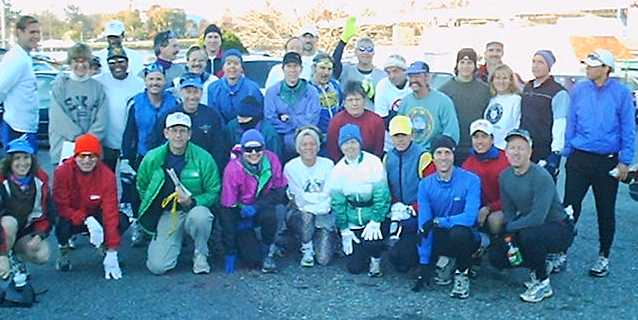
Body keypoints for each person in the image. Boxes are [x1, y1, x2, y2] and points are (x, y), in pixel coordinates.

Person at [563, 49, 635, 277]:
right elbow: (571, 121)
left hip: (607, 161)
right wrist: (568, 149)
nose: (588, 68)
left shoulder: (621, 93)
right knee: (569, 207)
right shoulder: (579, 90)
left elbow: (628, 128)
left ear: (606, 68)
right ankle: (560, 251)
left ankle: (604, 256)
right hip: (579, 157)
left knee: (606, 210)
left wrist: (625, 161)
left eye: (593, 64)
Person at [489, 129, 575, 303]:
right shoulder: (505, 177)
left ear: (530, 151)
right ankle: (541, 262)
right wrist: (507, 236)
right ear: (506, 152)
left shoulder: (542, 176)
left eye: (521, 148)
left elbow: (537, 218)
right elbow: (509, 212)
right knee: (497, 255)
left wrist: (509, 229)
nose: (516, 152)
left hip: (558, 227)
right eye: (512, 148)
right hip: (530, 226)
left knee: (529, 235)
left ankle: (542, 281)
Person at [136, 112, 220, 275]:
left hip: (194, 210)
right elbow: (142, 186)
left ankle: (200, 253)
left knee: (201, 217)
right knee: (158, 267)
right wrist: (154, 209)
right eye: (173, 131)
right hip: (169, 213)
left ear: (190, 134)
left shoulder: (204, 158)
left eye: (183, 131)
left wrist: (192, 202)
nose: (178, 135)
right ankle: (175, 244)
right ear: (166, 133)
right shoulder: (152, 158)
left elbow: (214, 191)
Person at [412, 135, 480, 299]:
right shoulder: (425, 184)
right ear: (432, 157)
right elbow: (425, 223)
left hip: (466, 235)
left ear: (453, 155)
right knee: (403, 255)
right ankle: (445, 261)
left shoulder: (471, 180)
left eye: (447, 152)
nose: (443, 157)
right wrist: (424, 263)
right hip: (440, 234)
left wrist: (438, 221)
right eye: (439, 153)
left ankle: (462, 273)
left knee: (459, 232)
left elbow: (470, 217)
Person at [53, 134, 127, 279]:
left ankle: (106, 250)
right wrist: (85, 219)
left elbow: (110, 211)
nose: (87, 160)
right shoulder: (63, 172)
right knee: (61, 223)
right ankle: (63, 249)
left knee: (120, 220)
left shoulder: (107, 175)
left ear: (98, 157)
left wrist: (113, 249)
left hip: (96, 212)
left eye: (92, 156)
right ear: (75, 156)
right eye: (82, 156)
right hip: (72, 215)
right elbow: (61, 206)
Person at [120, 63, 179, 245]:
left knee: (164, 191)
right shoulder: (135, 102)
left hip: (167, 154)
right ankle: (139, 225)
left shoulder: (173, 101)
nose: (155, 83)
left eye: (158, 79)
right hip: (143, 155)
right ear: (145, 81)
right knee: (139, 192)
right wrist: (125, 158)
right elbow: (129, 133)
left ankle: (163, 226)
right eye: (151, 79)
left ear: (164, 81)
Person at [219, 129, 288, 273]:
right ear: (242, 150)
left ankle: (268, 248)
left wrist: (257, 206)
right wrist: (229, 251)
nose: (254, 153)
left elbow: (279, 191)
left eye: (258, 148)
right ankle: (240, 246)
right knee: (252, 261)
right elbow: (227, 208)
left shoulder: (272, 160)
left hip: (262, 207)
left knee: (275, 213)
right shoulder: (233, 170)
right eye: (249, 149)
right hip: (240, 214)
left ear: (264, 148)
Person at [328, 124, 390, 276]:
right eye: (346, 143)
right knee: (354, 268)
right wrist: (344, 229)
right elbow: (338, 202)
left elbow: (382, 195)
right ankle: (362, 253)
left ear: (360, 143)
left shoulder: (373, 162)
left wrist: (376, 220)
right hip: (353, 218)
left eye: (353, 142)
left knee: (372, 242)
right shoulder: (338, 170)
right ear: (341, 146)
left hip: (373, 217)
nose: (350, 147)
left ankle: (376, 260)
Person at [385, 116, 432, 273]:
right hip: (396, 212)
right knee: (394, 256)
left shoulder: (423, 157)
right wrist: (393, 205)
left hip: (418, 213)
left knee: (406, 257)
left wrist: (414, 208)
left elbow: (431, 192)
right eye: (396, 136)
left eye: (403, 135)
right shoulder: (387, 158)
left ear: (411, 134)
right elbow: (387, 189)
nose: (400, 140)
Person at [0, 138, 51, 281]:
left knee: (42, 254)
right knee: (9, 223)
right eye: (17, 158)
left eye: (26, 157)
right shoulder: (2, 181)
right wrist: (2, 254)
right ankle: (4, 260)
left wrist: (39, 235)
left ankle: (15, 261)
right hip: (3, 231)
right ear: (9, 161)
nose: (22, 163)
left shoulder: (40, 181)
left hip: (22, 231)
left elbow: (47, 215)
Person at [48, 43, 108, 165]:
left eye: (84, 61)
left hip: (91, 151)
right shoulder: (60, 86)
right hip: (64, 149)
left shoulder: (98, 88)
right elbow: (57, 118)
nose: (80, 65)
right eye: (76, 61)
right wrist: (78, 137)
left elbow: (102, 120)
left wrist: (88, 141)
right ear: (70, 63)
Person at [284, 126, 335, 267]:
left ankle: (327, 238)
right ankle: (306, 247)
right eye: (304, 144)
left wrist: (316, 201)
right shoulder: (290, 167)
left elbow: (329, 194)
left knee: (323, 260)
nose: (309, 148)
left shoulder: (328, 165)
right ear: (298, 147)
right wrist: (318, 200)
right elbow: (299, 199)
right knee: (307, 216)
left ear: (318, 146)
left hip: (324, 213)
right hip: (301, 213)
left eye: (312, 144)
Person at [152, 77, 228, 172]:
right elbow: (157, 143)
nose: (192, 97)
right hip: (175, 168)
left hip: (204, 168)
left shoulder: (212, 115)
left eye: (196, 92)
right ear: (181, 93)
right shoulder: (170, 115)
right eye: (188, 92)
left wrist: (214, 169)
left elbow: (219, 147)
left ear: (201, 93)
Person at [519, 50, 569, 181]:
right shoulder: (527, 87)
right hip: (525, 149)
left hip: (544, 150)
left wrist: (555, 153)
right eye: (533, 62)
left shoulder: (558, 92)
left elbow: (560, 124)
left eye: (540, 62)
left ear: (549, 66)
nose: (535, 66)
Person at [95, 46, 145, 171]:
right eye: (112, 63)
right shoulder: (100, 81)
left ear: (127, 63)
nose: (117, 65)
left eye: (121, 62)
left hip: (131, 143)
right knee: (106, 180)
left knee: (130, 181)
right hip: (108, 143)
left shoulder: (139, 83)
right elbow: (80, 80)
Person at [462, 119, 509, 251]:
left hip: (503, 207)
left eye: (484, 136)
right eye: (476, 137)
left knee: (495, 220)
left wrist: (489, 208)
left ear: (492, 139)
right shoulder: (468, 164)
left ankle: (501, 247)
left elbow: (511, 196)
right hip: (479, 208)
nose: (480, 141)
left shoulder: (505, 159)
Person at [264, 52, 321, 161]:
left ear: (301, 69)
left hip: (305, 137)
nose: (292, 70)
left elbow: (312, 119)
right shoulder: (272, 92)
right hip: (280, 140)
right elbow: (270, 117)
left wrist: (290, 120)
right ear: (283, 68)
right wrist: (290, 128)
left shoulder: (311, 91)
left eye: (295, 66)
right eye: (289, 66)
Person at [440, 48, 491, 165]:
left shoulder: (485, 90)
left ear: (474, 66)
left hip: (478, 145)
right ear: (457, 65)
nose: (465, 66)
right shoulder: (445, 90)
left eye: (469, 63)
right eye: (462, 62)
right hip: (454, 145)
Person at [397, 61, 459, 151]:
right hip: (410, 154)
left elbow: (452, 134)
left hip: (434, 155)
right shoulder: (405, 102)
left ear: (427, 77)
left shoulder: (443, 101)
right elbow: (399, 131)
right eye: (410, 76)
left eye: (417, 76)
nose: (413, 80)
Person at [0, 16, 41, 151]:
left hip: (26, 126)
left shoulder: (25, 57)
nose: (36, 36)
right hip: (17, 128)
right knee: (17, 170)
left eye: (38, 32)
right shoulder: (16, 58)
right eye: (32, 32)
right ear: (19, 32)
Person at [326, 81, 384, 162]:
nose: (354, 103)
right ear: (344, 103)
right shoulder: (336, 122)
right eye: (350, 100)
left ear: (364, 100)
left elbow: (378, 151)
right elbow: (333, 150)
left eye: (358, 99)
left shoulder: (377, 121)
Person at [207, 49, 263, 124]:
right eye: (228, 63)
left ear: (241, 68)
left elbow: (258, 114)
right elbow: (214, 115)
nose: (232, 67)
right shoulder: (213, 88)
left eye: (236, 63)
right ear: (223, 67)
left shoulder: (252, 88)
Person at [374, 54, 412, 152]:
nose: (392, 76)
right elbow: (382, 117)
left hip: (413, 139)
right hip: (390, 142)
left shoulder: (413, 85)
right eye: (388, 72)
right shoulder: (382, 86)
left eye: (395, 71)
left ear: (404, 71)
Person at [483, 64, 521, 150]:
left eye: (505, 78)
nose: (501, 81)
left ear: (511, 81)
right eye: (498, 78)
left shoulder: (516, 100)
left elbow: (517, 125)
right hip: (489, 148)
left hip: (505, 149)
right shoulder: (491, 99)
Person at [308, 53, 343, 135]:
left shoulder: (336, 86)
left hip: (336, 134)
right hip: (315, 135)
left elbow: (342, 108)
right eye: (322, 68)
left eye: (329, 69)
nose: (326, 73)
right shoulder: (306, 89)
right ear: (314, 68)